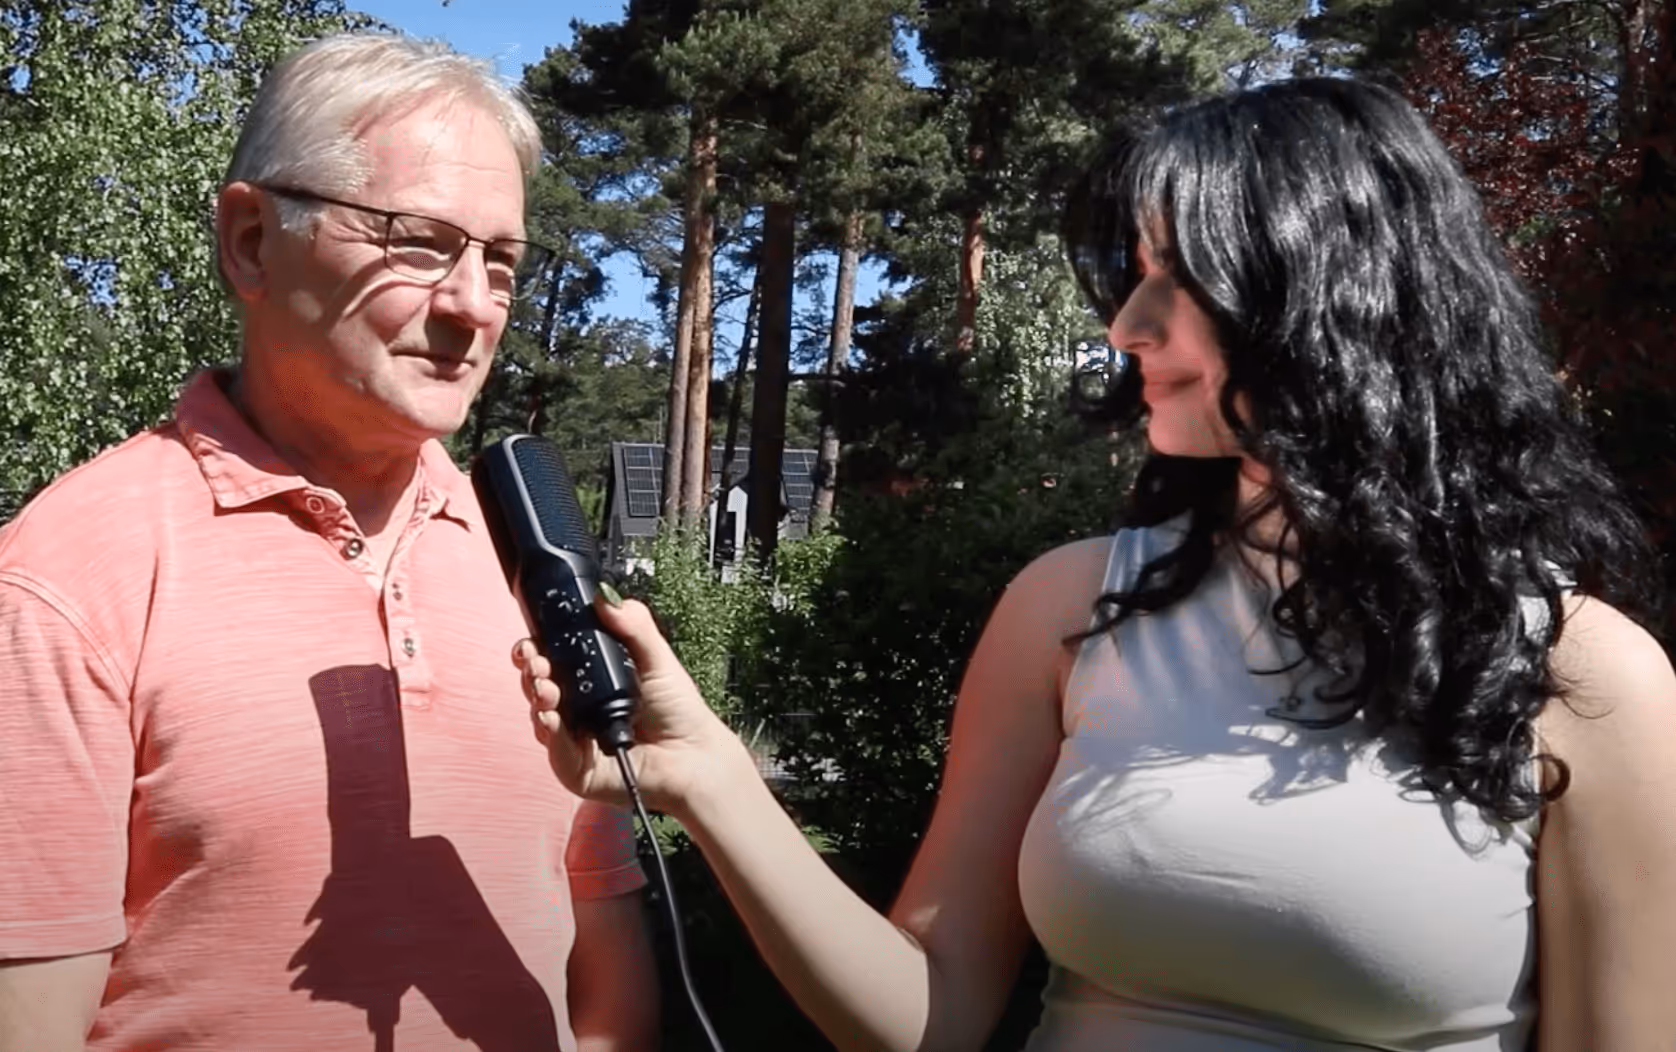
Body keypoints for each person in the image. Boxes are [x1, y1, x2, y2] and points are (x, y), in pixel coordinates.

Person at [515, 77, 1676, 1050]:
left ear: (1327, 298)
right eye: (1129, 279)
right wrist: (710, 779)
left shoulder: (1589, 679)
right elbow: (923, 1011)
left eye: (1174, 283)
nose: (1124, 326)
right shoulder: (1068, 606)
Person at [0, 33, 657, 1052]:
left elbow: (607, 983)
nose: (471, 307)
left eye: (502, 262)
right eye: (420, 241)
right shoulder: (66, 577)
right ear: (253, 240)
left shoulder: (531, 558)